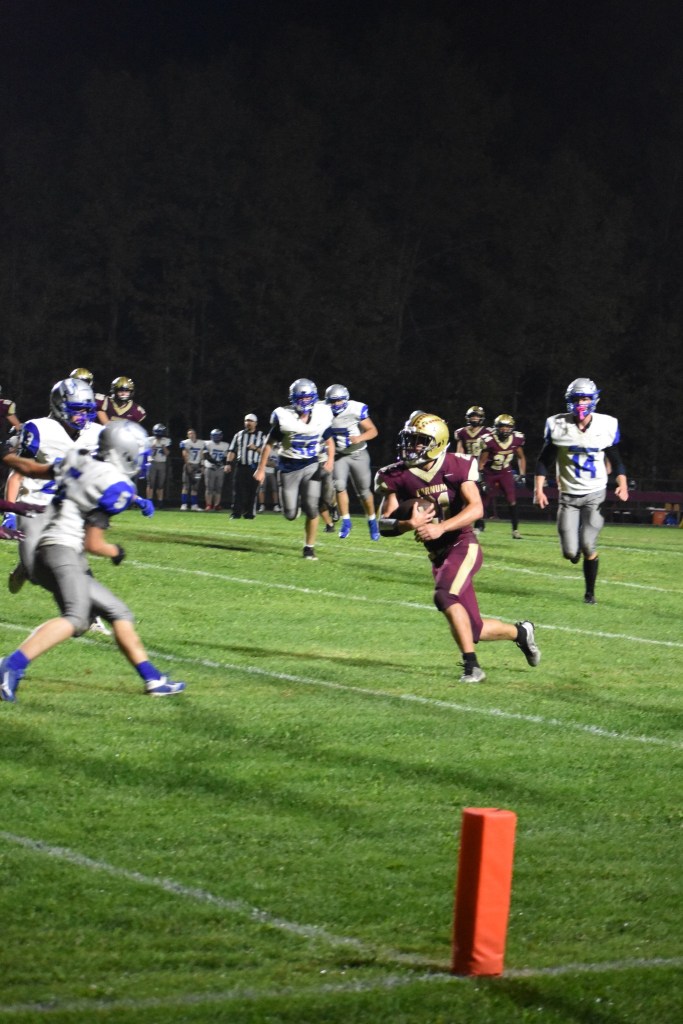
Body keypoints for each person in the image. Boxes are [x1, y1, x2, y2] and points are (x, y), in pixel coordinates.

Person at [0, 421, 186, 702]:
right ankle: (10, 666)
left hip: (46, 547)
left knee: (118, 612)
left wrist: (6, 455)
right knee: (76, 618)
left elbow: (31, 469)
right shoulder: (117, 485)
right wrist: (116, 551)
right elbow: (94, 543)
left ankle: (153, 679)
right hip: (62, 549)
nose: (142, 459)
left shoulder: (79, 458)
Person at [375, 411, 540, 683]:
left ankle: (472, 667)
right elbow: (384, 524)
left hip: (463, 543)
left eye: (419, 440)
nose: (412, 446)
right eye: (409, 439)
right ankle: (521, 633)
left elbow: (476, 508)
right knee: (473, 629)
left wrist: (441, 527)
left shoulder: (457, 464)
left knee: (444, 596)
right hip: (437, 555)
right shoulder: (397, 475)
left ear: (437, 442)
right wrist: (408, 524)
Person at [534, 377, 629, 605]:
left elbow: (616, 460)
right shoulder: (558, 425)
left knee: (588, 544)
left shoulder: (606, 425)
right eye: (577, 399)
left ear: (594, 399)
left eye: (585, 398)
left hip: (595, 494)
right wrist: (539, 490)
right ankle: (573, 547)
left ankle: (589, 593)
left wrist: (622, 484)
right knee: (569, 552)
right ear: (569, 400)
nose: (581, 403)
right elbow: (544, 461)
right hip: (568, 495)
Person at [3, 377, 98, 595]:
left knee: (71, 566)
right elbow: (17, 474)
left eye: (87, 410)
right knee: (35, 571)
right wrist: (10, 512)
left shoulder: (95, 434)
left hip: (67, 509)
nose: (83, 415)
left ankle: (87, 609)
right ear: (59, 406)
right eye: (77, 409)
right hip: (33, 506)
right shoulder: (39, 429)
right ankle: (25, 569)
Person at [253, 379, 334, 560]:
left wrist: (330, 460)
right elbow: (268, 445)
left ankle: (309, 548)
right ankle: (293, 508)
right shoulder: (284, 416)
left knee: (312, 507)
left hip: (311, 465)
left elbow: (330, 440)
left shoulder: (322, 414)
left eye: (307, 398)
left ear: (314, 398)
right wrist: (261, 469)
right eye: (301, 398)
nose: (304, 401)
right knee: (290, 514)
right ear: (293, 399)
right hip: (288, 467)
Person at [324, 384, 380, 541]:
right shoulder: (322, 409)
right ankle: (346, 522)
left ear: (346, 399)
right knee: (339, 486)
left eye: (339, 400)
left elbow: (373, 431)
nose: (336, 404)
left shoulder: (355, 409)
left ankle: (372, 521)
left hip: (358, 454)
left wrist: (359, 438)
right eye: (333, 401)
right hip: (339, 455)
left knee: (363, 492)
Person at [479, 414, 527, 539]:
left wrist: (522, 474)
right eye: (502, 427)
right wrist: (481, 480)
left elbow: (521, 457)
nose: (505, 429)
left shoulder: (516, 439)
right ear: (496, 427)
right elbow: (481, 462)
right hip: (490, 472)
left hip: (505, 472)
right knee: (483, 500)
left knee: (512, 499)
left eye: (508, 427)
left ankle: (515, 530)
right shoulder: (489, 440)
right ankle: (478, 526)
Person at [454, 404, 489, 531]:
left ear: (481, 418)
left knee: (482, 493)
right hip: (467, 465)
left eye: (477, 416)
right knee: (463, 493)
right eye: (472, 416)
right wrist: (459, 463)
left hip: (482, 466)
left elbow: (489, 450)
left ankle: (479, 521)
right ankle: (463, 520)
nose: (474, 418)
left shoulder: (487, 432)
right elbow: (459, 450)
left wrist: (482, 467)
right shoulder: (462, 432)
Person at [226, 414, 266, 519]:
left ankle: (250, 513)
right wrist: (228, 463)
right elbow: (232, 450)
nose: (248, 423)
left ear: (255, 423)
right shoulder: (239, 435)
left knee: (252, 491)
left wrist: (255, 448)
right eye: (246, 420)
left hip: (254, 467)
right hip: (241, 466)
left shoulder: (261, 435)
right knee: (237, 490)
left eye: (251, 421)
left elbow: (266, 452)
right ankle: (236, 513)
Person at [203, 428, 230, 511]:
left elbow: (226, 457)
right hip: (210, 467)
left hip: (220, 468)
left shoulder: (225, 445)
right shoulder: (207, 443)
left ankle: (217, 505)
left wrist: (223, 464)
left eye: (218, 436)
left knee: (218, 488)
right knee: (209, 487)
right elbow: (206, 456)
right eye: (215, 436)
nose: (217, 437)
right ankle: (208, 505)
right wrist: (217, 462)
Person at [179, 428, 205, 510]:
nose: (191, 435)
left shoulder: (201, 443)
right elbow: (184, 454)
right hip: (189, 464)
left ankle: (194, 505)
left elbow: (202, 454)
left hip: (197, 466)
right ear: (187, 435)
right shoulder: (185, 442)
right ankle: (184, 504)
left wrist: (202, 465)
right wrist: (187, 465)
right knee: (186, 485)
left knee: (195, 486)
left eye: (193, 433)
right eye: (189, 434)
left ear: (195, 434)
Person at [147, 423, 171, 505]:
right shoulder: (150, 440)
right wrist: (152, 448)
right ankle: (149, 501)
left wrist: (163, 446)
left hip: (162, 463)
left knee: (161, 484)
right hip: (152, 462)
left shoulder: (166, 440)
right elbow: (148, 453)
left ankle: (160, 502)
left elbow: (167, 453)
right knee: (150, 483)